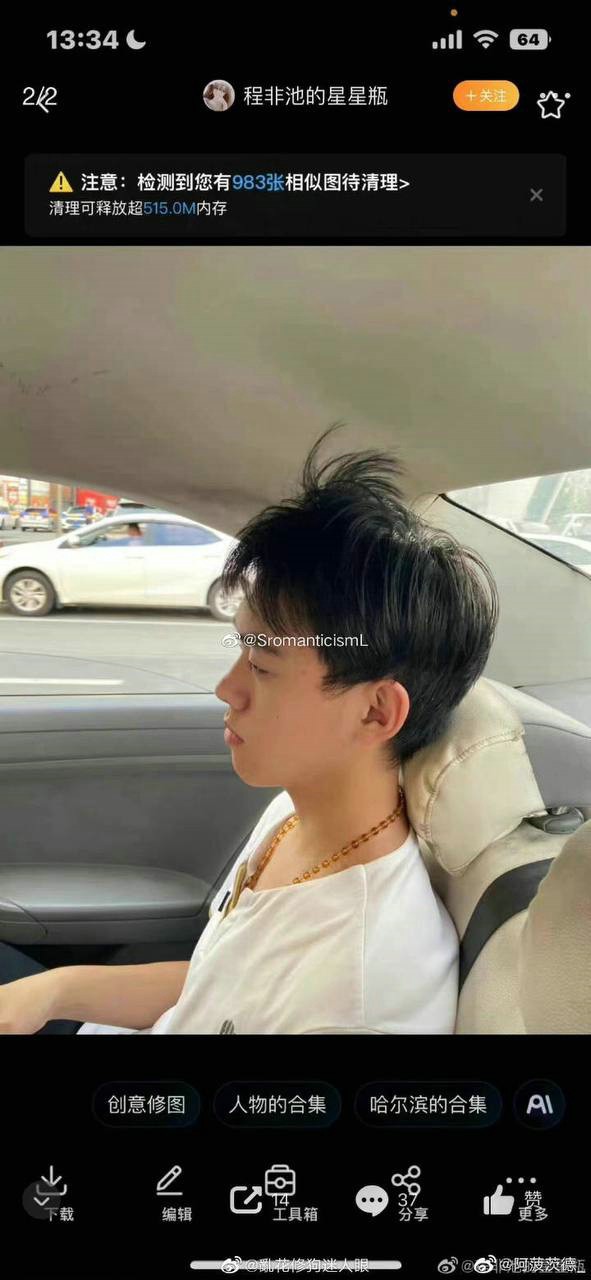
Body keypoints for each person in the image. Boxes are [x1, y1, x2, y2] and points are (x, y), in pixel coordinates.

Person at [0, 426, 499, 1035]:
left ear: (375, 712)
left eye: (262, 666)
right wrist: (54, 990)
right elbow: (217, 985)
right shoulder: (298, 814)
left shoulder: (357, 994)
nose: (226, 688)